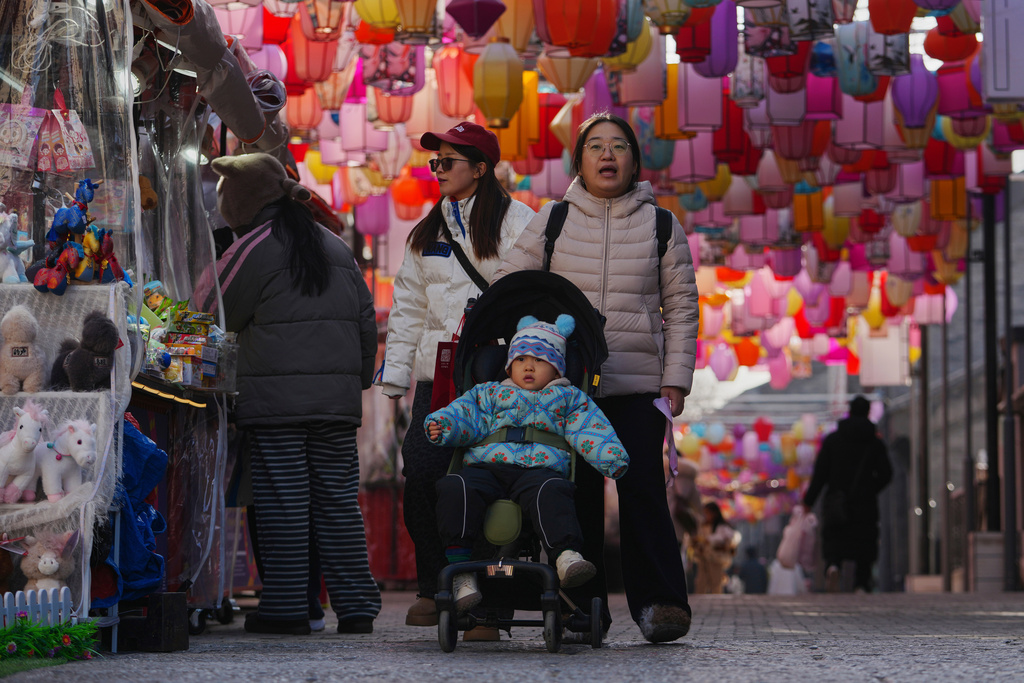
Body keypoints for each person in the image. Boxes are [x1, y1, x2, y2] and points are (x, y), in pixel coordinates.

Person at [494, 112, 699, 643]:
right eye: (596, 147)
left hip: (636, 388)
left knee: (643, 492)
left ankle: (660, 605)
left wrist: (675, 380)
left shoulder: (661, 225)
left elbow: (681, 308)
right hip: (567, 388)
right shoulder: (553, 219)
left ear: (634, 160)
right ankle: (581, 610)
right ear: (579, 161)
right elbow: (509, 284)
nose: (607, 156)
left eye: (619, 147)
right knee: (572, 495)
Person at [193, 152, 380, 635]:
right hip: (335, 405)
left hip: (276, 406)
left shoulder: (252, 248)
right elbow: (365, 321)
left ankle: (287, 607)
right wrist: (355, 380)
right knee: (338, 502)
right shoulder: (334, 245)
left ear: (238, 202)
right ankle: (357, 606)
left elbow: (211, 313)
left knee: (284, 501)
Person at [376, 122, 535, 629]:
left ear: (481, 169)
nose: (438, 170)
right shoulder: (427, 230)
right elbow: (407, 308)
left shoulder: (521, 223)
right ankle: (437, 586)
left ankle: (492, 604)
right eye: (434, 163)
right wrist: (396, 377)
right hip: (437, 378)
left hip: (500, 380)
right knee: (421, 474)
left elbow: (532, 297)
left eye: (448, 162)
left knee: (496, 481)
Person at [426, 315, 629, 612]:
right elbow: (464, 415)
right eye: (520, 358)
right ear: (509, 365)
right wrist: (443, 425)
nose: (529, 366)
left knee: (553, 491)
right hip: (487, 467)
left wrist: (611, 456)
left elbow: (589, 428)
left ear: (557, 366)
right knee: (455, 486)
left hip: (538, 471)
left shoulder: (568, 397)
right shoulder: (489, 393)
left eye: (540, 360)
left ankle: (565, 556)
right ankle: (462, 573)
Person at [802, 395, 893, 593]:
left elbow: (820, 474)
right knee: (863, 543)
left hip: (837, 500)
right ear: (868, 412)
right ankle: (861, 583)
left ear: (849, 411)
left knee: (836, 539)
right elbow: (887, 473)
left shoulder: (833, 440)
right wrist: (871, 488)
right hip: (865, 504)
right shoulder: (875, 443)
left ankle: (833, 566)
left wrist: (808, 501)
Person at [693, 502, 739, 594]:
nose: (706, 515)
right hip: (703, 558)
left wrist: (709, 540)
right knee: (701, 581)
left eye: (708, 513)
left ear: (715, 513)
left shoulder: (722, 527)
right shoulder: (703, 526)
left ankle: (715, 601)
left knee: (716, 582)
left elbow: (728, 538)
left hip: (716, 559)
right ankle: (700, 601)